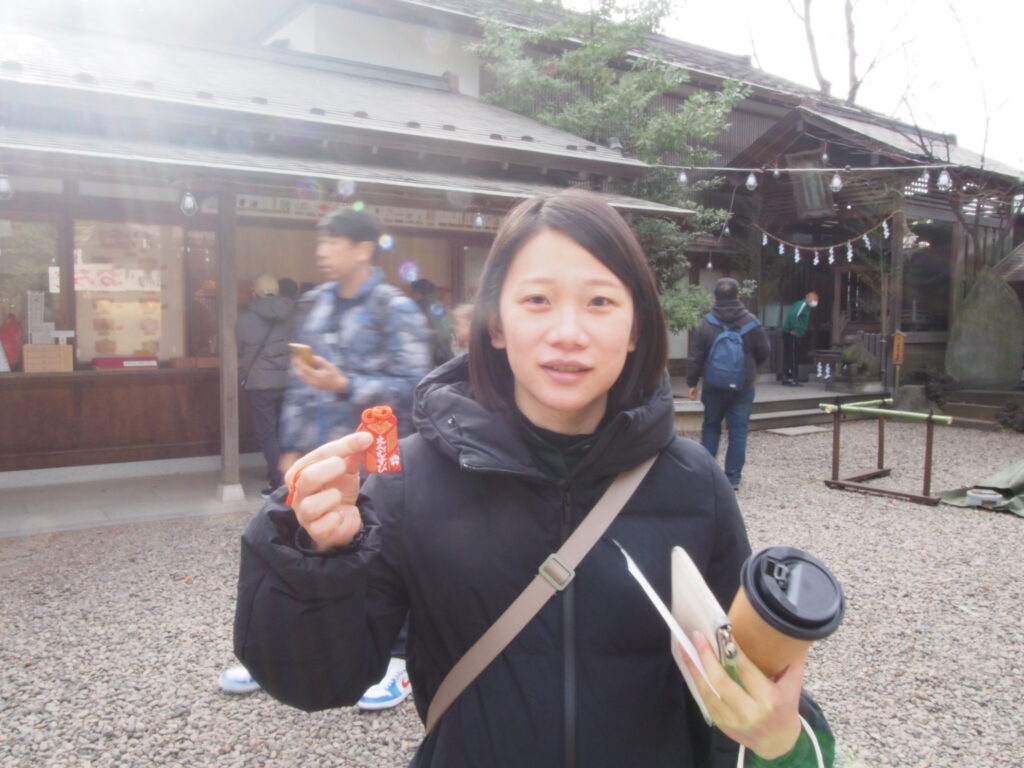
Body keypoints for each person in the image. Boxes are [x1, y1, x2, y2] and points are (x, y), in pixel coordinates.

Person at [231, 190, 829, 767]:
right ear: (494, 326)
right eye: (537, 300)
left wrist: (784, 739)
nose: (567, 331)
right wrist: (317, 553)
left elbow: (744, 686)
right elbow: (315, 681)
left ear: (636, 330)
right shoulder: (409, 482)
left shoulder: (695, 487)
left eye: (600, 302)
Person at [220, 207, 431, 707]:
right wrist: (291, 445)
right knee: (298, 549)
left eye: (333, 241)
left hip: (375, 461)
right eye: (321, 242)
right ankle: (275, 650)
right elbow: (299, 379)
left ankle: (398, 661)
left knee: (384, 557)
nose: (322, 251)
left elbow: (417, 389)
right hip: (317, 458)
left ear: (363, 248)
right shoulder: (313, 304)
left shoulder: (394, 309)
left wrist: (348, 384)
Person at [687, 278, 770, 491]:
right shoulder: (752, 322)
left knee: (711, 426)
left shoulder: (706, 323)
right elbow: (764, 351)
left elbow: (696, 356)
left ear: (715, 297)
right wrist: (751, 369)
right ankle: (733, 478)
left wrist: (692, 382)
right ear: (738, 296)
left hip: (714, 385)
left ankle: (706, 474)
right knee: (738, 430)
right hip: (743, 385)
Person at [235, 274, 294, 499]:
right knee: (284, 431)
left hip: (260, 382)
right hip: (287, 380)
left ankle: (279, 482)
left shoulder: (245, 319)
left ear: (254, 292)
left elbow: (238, 349)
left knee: (267, 433)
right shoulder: (292, 315)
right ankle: (288, 476)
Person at [410, 278, 454, 366]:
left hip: (432, 348)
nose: (411, 295)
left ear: (417, 292)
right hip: (445, 344)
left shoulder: (420, 306)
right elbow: (447, 324)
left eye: (412, 292)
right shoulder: (438, 304)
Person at [780, 291, 818, 386]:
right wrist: (795, 328)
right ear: (808, 297)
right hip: (791, 333)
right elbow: (793, 315)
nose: (815, 302)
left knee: (791, 355)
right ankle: (792, 378)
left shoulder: (805, 306)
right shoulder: (803, 304)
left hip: (793, 333)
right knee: (792, 356)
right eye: (814, 299)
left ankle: (788, 377)